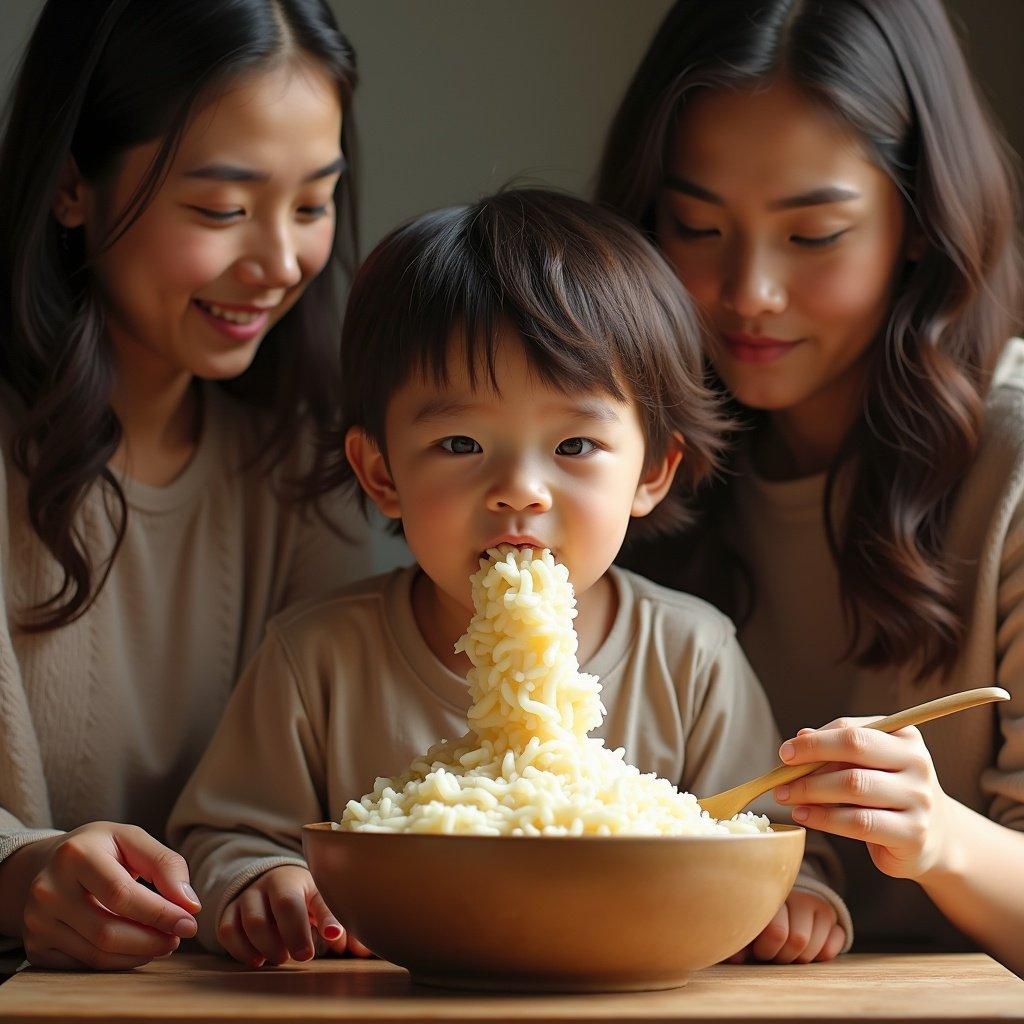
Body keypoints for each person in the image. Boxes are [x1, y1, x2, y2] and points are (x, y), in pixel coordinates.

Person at [168, 188, 852, 969]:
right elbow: (226, 833)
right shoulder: (317, 655)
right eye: (460, 443)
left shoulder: (690, 653)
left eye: (574, 447)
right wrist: (266, 881)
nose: (520, 489)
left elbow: (763, 831)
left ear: (653, 470)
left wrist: (796, 904)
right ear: (381, 471)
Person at [597, 0, 1024, 973]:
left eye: (814, 234)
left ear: (919, 222)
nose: (749, 291)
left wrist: (939, 838)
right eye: (696, 225)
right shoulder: (616, 451)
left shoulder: (1011, 465)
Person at [0, 0, 371, 971]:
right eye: (221, 209)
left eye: (313, 203)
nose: (280, 262)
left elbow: (329, 788)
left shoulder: (304, 475)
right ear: (72, 186)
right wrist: (17, 869)